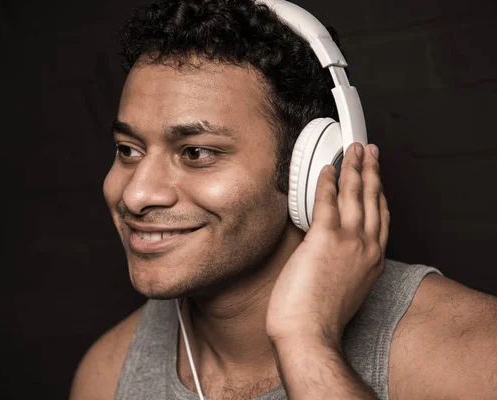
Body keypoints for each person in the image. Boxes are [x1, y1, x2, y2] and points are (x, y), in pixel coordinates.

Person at [70, 0, 497, 399]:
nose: (136, 193)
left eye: (196, 153)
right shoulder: (106, 375)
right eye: (128, 150)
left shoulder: (471, 354)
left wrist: (306, 340)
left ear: (310, 171)